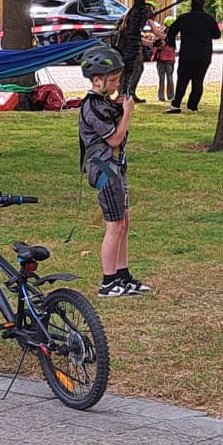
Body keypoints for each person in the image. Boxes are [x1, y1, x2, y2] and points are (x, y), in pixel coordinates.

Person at [77, 45, 151, 298]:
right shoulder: (92, 107)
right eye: (112, 80)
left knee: (124, 221)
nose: (116, 84)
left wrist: (119, 107)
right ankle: (108, 281)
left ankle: (123, 275)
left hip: (115, 167)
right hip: (104, 168)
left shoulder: (104, 103)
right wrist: (128, 112)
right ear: (96, 80)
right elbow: (114, 139)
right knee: (114, 224)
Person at [162, 0, 220, 113]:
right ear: (204, 5)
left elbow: (171, 32)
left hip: (187, 53)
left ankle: (176, 104)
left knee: (182, 79)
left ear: (191, 5)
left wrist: (172, 45)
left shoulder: (184, 18)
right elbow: (217, 35)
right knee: (198, 80)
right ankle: (193, 106)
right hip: (203, 54)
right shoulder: (208, 19)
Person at [150, 18, 176, 104]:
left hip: (162, 58)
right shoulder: (174, 34)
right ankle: (171, 96)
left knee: (162, 78)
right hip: (171, 59)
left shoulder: (164, 34)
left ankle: (161, 96)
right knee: (170, 77)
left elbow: (159, 44)